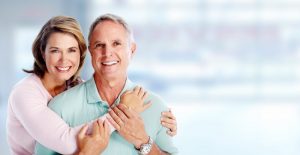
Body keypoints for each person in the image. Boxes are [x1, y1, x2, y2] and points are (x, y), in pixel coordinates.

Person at [6, 16, 177, 155]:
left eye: (71, 50)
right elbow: (65, 141)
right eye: (55, 50)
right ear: (42, 53)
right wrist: (124, 110)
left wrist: (145, 141)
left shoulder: (155, 105)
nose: (64, 60)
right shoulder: (32, 96)